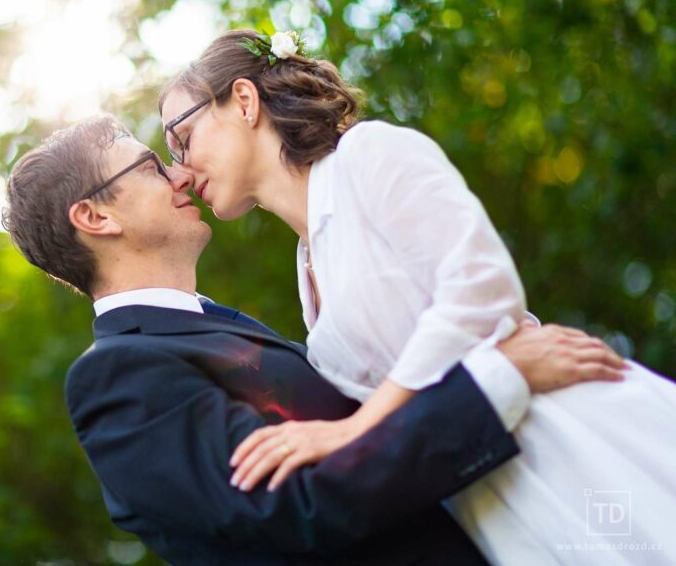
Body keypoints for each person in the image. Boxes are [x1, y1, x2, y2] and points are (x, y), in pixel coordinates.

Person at [1, 116, 626, 565]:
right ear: (95, 217)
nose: (181, 178)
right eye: (151, 166)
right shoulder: (119, 375)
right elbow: (295, 503)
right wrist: (498, 382)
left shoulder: (225, 329)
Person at [157, 29, 676, 564]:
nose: (179, 170)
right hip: (487, 495)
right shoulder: (306, 263)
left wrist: (355, 429)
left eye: (183, 137)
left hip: (569, 440)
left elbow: (481, 286)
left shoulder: (368, 155)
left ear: (244, 101)